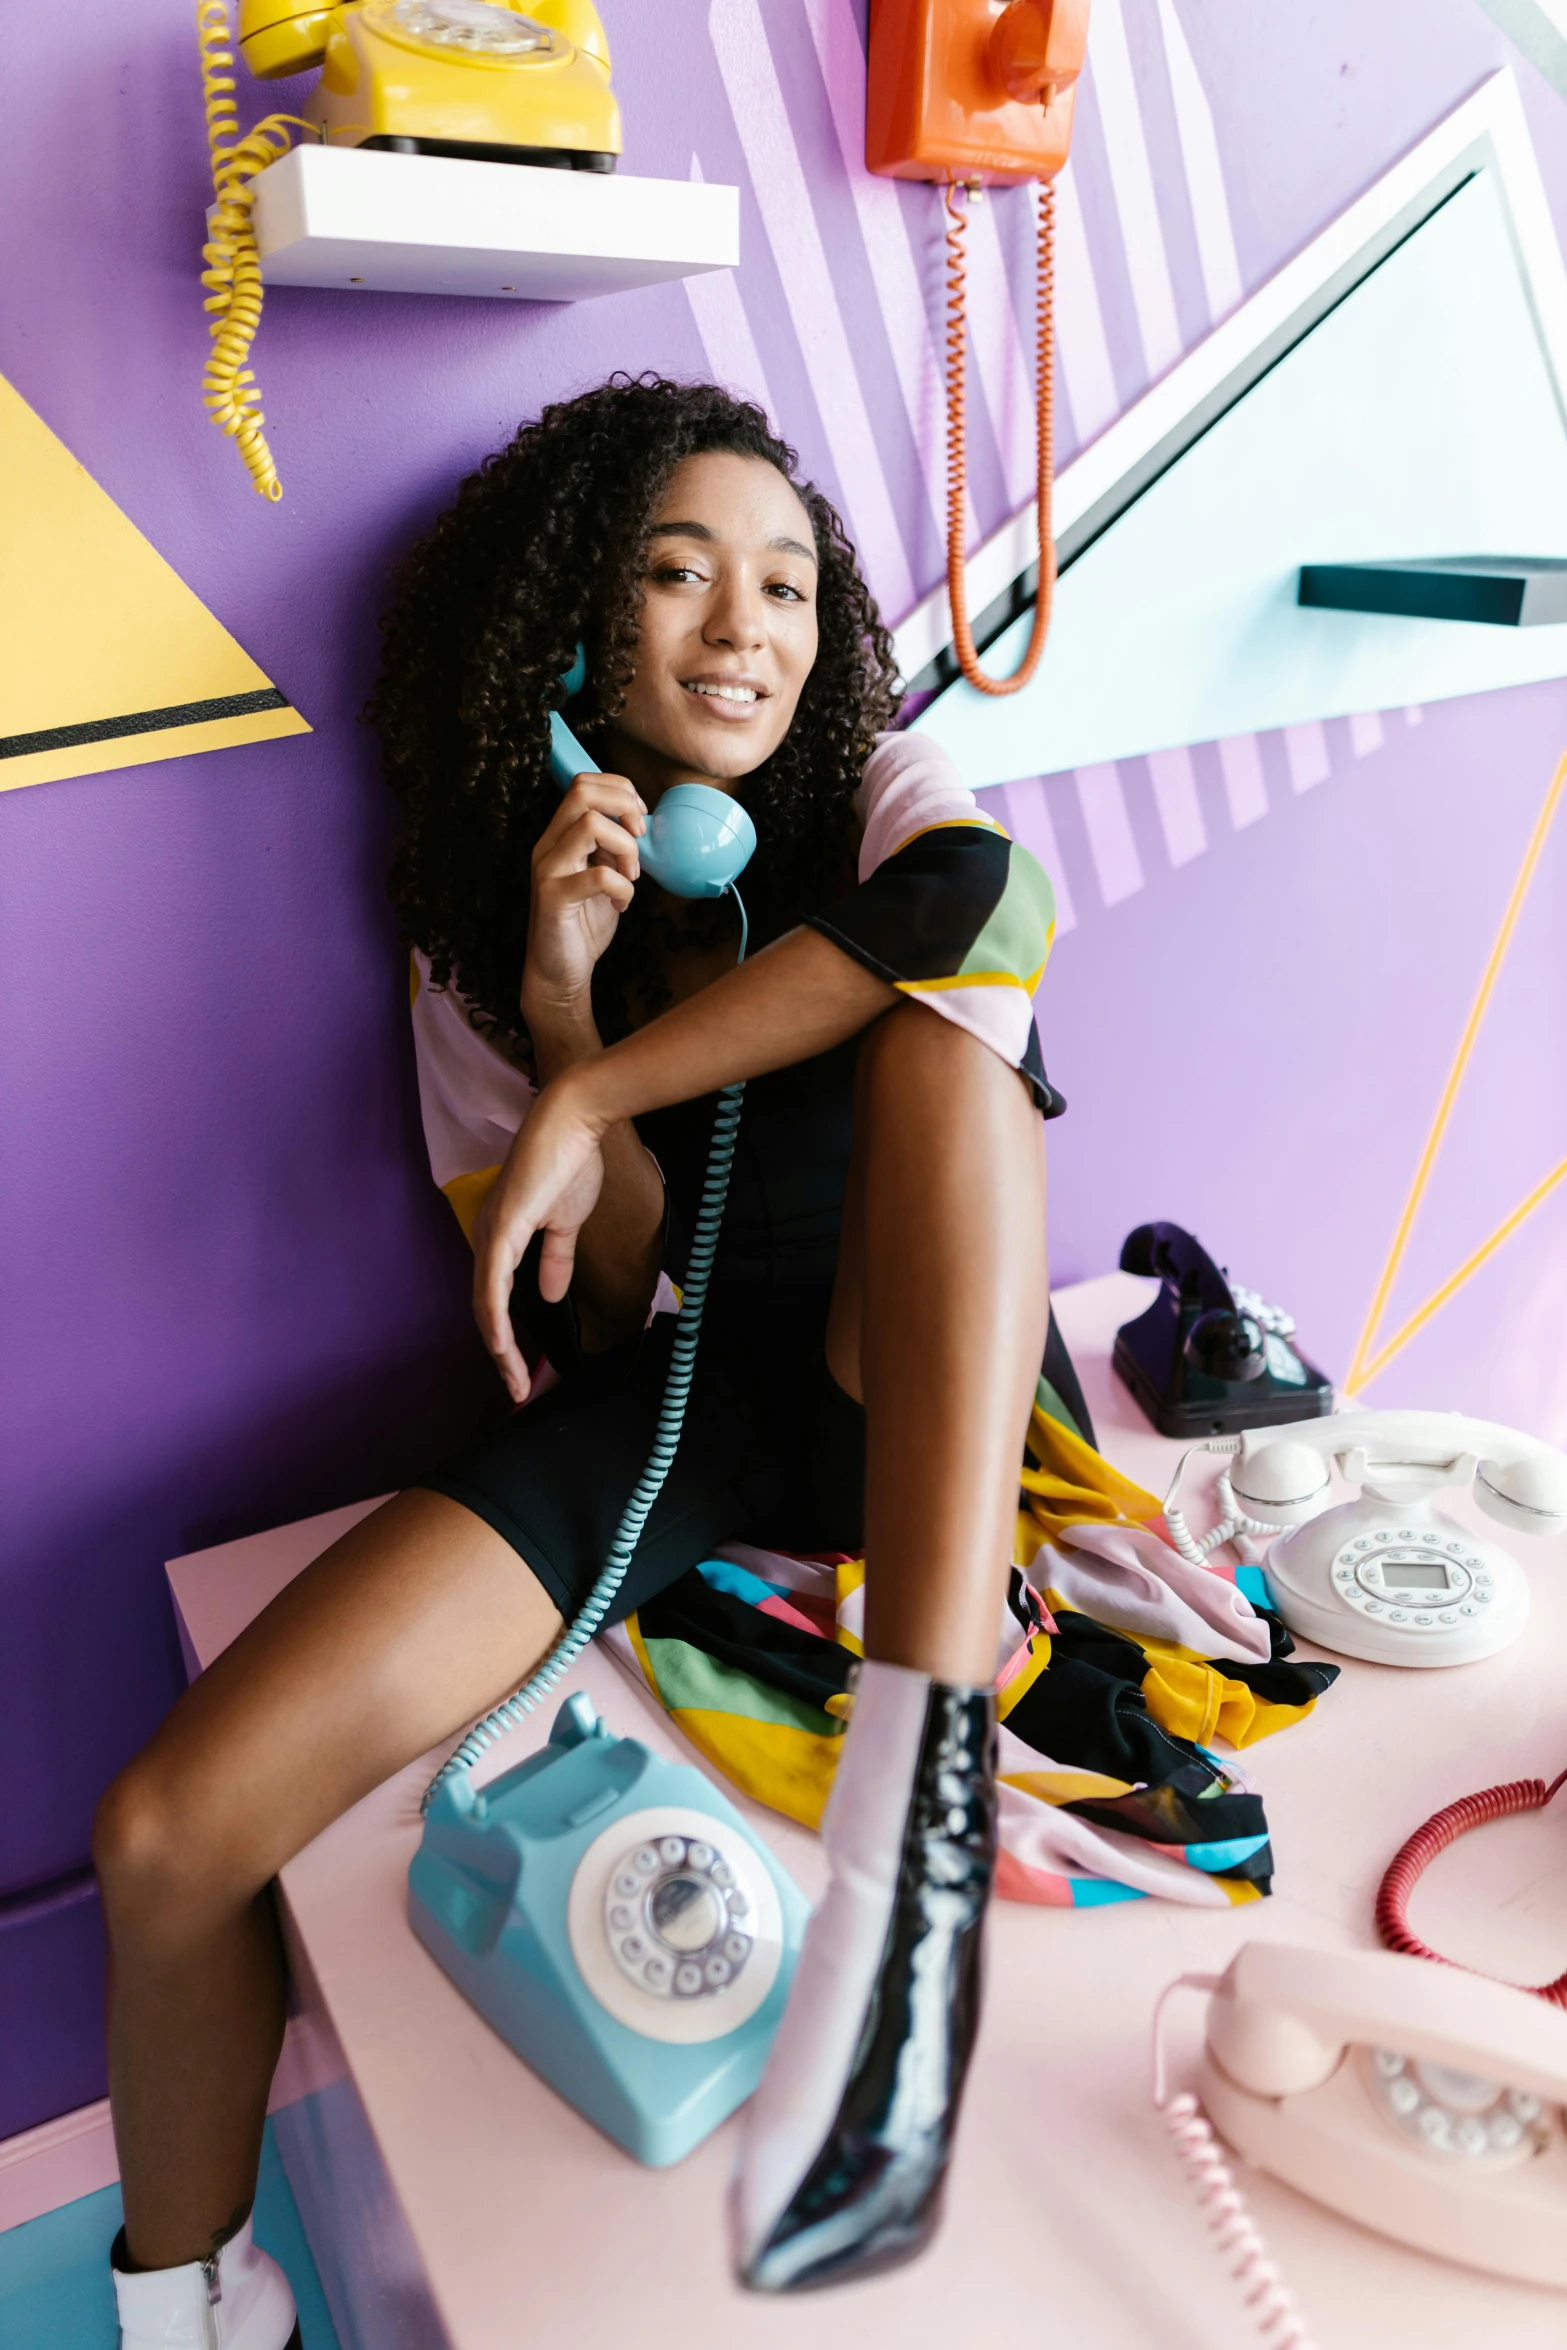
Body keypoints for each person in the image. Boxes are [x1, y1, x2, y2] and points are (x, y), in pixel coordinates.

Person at [93, 376, 1063, 2344]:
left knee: (956, 1027)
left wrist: (605, 1076)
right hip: (693, 1415)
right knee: (170, 1830)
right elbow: (611, 1322)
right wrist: (554, 1003)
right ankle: (192, 2298)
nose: (748, 628)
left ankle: (908, 1872)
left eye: (786, 582)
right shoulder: (481, 939)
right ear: (577, 633)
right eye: (681, 573)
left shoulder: (882, 788)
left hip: (919, 1394)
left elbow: (992, 906)